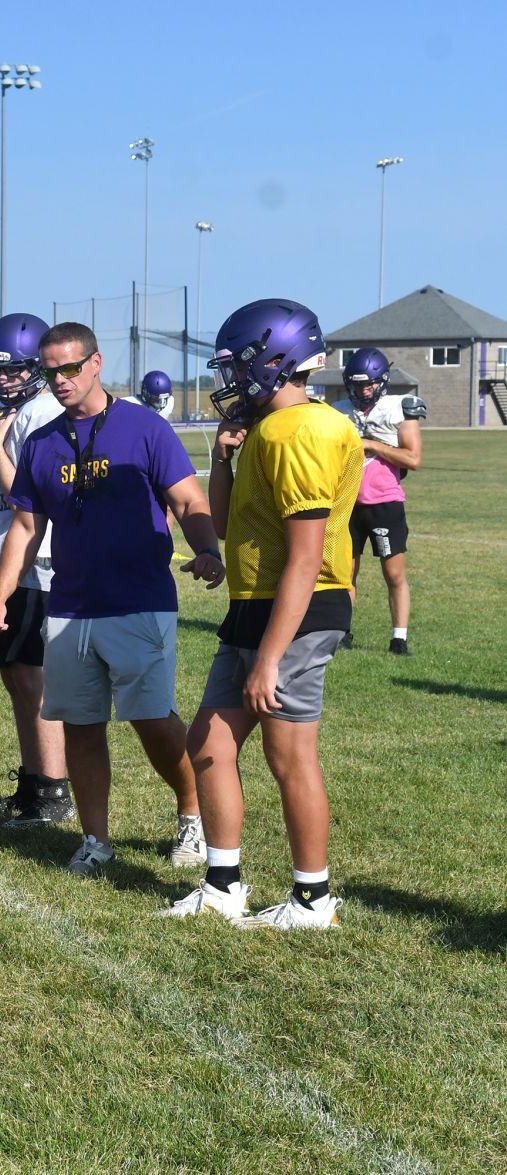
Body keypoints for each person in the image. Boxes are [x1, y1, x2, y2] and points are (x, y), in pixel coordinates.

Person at [0, 322, 225, 877]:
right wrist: (0, 596)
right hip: (69, 604)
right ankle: (95, 840)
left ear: (96, 364)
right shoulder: (42, 442)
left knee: (151, 717)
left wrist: (208, 549)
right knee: (80, 724)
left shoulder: (144, 427)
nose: (60, 380)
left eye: (70, 368)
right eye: (50, 371)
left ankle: (192, 814)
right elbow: (27, 527)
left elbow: (188, 501)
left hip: (140, 600)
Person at [163, 299, 361, 929]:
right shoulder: (268, 429)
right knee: (209, 741)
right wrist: (223, 457)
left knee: (288, 753)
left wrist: (271, 657)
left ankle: (313, 899)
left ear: (272, 361)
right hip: (255, 602)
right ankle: (223, 885)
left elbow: (306, 556)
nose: (229, 381)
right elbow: (222, 523)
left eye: (236, 367)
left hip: (297, 607)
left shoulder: (301, 430)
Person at [0, 314, 71, 825]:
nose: (4, 379)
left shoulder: (42, 413)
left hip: (35, 561)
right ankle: (32, 784)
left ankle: (53, 791)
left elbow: (26, 498)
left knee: (34, 682)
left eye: (14, 370)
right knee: (16, 679)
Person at [333, 347, 423, 655]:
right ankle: (343, 633)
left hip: (384, 503)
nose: (364, 390)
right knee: (345, 573)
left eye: (370, 383)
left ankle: (399, 639)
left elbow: (413, 458)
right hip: (347, 503)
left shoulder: (399, 408)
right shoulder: (339, 411)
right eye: (358, 384)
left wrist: (371, 444)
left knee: (394, 574)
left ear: (382, 381)